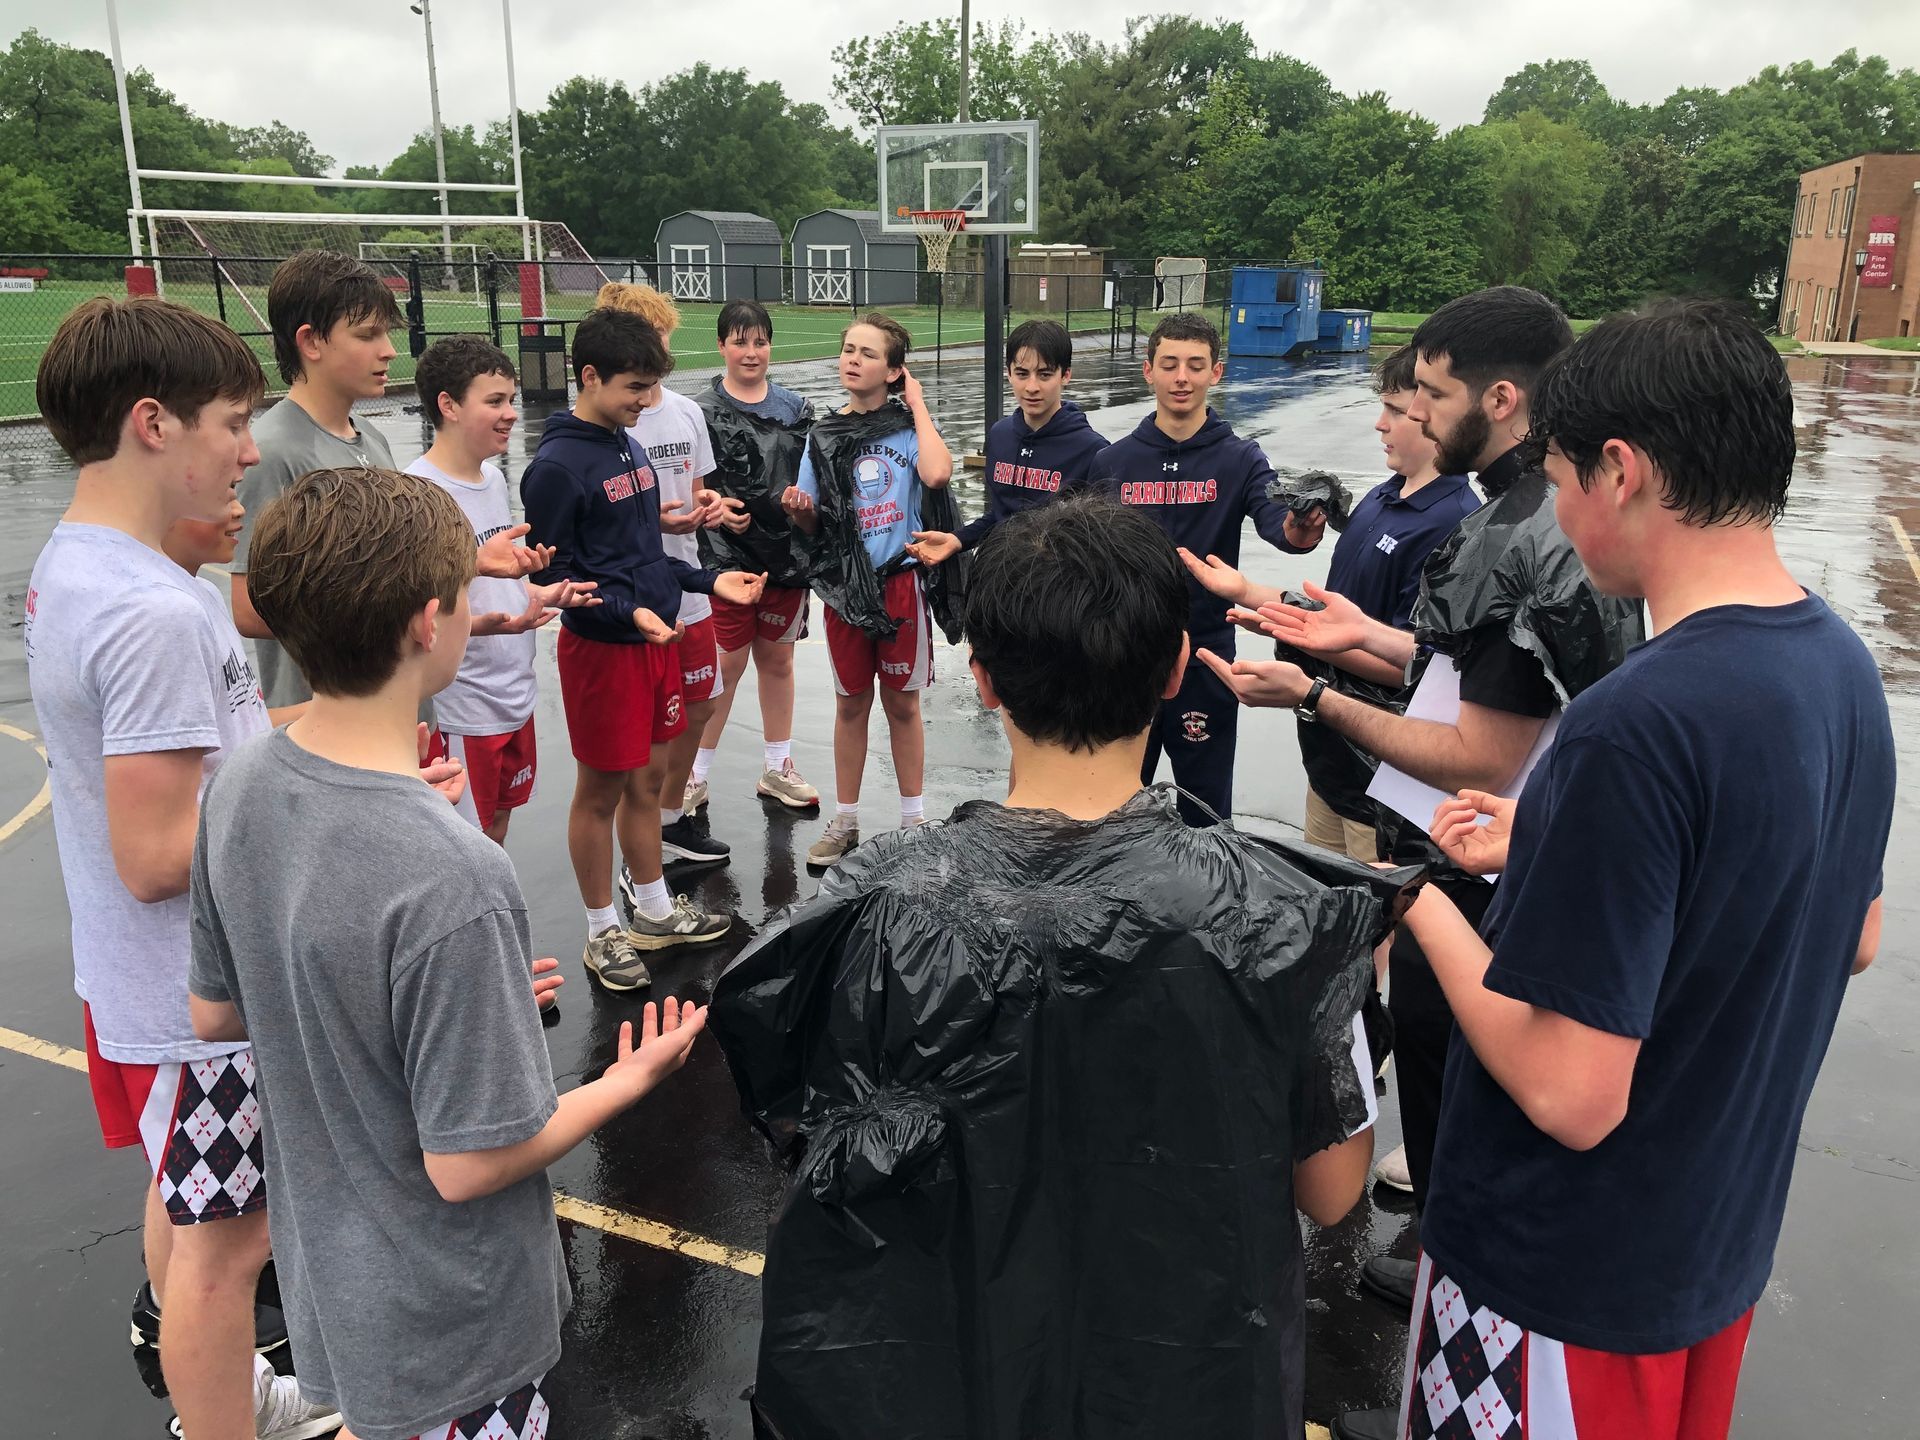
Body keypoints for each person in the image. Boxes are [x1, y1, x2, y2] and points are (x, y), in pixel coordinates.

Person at [711, 496, 1380, 1440]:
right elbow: (1333, 1191)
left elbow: (812, 1135)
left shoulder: (862, 910)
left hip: (955, 1381)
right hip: (1190, 1389)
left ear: (982, 680)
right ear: (1177, 671)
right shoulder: (1287, 909)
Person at [1391, 299, 1893, 1440]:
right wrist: (1557, 842)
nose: (1558, 513)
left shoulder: (1635, 722)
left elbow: (1571, 1093)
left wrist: (1418, 903)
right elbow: (1844, 927)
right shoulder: (1838, 669)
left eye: (1561, 477)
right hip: (1707, 1255)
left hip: (1556, 1288)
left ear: (1620, 471)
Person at [1194, 289, 1638, 1440]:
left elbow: (1479, 751)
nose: (1414, 412)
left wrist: (1320, 695)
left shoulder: (1526, 531)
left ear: (1503, 399)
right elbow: (1474, 677)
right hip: (1516, 853)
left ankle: (1463, 1278)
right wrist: (1364, 637)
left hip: (1491, 871)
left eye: (1431, 395)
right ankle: (1451, 1247)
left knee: (1461, 1078)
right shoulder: (1530, 511)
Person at [188, 464, 709, 1440]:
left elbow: (217, 1012)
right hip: (455, 1320)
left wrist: (444, 1004)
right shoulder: (452, 873)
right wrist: (631, 1078)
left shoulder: (241, 781)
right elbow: (473, 1165)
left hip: (328, 1290)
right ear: (431, 623)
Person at [24, 296, 337, 1440]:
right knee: (228, 1249)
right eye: (231, 424)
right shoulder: (158, 611)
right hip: (198, 1003)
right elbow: (159, 855)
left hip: (138, 987)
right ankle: (221, 1421)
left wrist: (307, 743)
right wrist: (319, 815)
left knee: (183, 1203)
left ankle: (228, 1396)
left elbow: (197, 764)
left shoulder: (83, 565)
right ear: (154, 425)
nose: (248, 454)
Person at [521, 307, 766, 991]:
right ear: (590, 376)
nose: (644, 402)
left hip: (653, 640)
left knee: (650, 782)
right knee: (599, 792)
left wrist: (709, 579)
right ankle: (602, 931)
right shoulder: (557, 466)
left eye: (652, 387)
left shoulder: (625, 444)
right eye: (633, 388)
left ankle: (653, 909)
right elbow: (554, 577)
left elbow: (643, 555)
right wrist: (631, 614)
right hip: (604, 652)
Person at [231, 251, 543, 713]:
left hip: (402, 710)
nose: (389, 350)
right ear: (311, 342)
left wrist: (467, 563)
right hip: (332, 729)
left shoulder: (370, 438)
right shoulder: (274, 451)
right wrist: (384, 610)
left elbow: (393, 567)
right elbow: (250, 608)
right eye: (367, 334)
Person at [1086, 311, 1325, 824]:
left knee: (1209, 812)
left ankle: (1214, 903)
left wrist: (1299, 528)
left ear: (1217, 372)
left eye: (1196, 365)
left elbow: (1276, 522)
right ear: (1148, 370)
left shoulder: (1239, 459)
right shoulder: (1114, 463)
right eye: (1169, 364)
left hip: (1208, 660)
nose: (1182, 377)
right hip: (1126, 659)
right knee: (1115, 809)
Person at [406, 335, 598, 844]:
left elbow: (496, 580)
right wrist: (479, 583)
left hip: (514, 691)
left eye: (511, 399)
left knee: (497, 827)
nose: (511, 413)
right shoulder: (417, 492)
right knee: (462, 841)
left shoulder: (491, 478)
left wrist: (539, 596)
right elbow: (409, 596)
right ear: (447, 405)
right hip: (464, 704)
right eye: (494, 401)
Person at [780, 312, 951, 867]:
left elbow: (937, 475)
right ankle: (847, 817)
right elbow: (813, 523)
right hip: (846, 594)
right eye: (848, 349)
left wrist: (919, 403)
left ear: (894, 370)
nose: (852, 359)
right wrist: (800, 512)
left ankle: (913, 819)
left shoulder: (907, 428)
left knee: (903, 705)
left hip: (901, 586)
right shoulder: (823, 436)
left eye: (868, 353)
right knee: (850, 704)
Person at [592, 282, 734, 869]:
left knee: (700, 704)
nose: (663, 357)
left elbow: (698, 491)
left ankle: (672, 818)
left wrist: (713, 508)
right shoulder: (608, 426)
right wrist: (656, 520)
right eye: (655, 341)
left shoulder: (687, 412)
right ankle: (641, 841)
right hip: (637, 596)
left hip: (689, 581)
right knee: (646, 731)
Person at [690, 300, 821, 814]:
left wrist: (804, 507)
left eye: (760, 341)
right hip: (723, 557)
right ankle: (693, 773)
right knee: (724, 664)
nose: (751, 352)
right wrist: (716, 509)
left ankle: (777, 765)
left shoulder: (796, 410)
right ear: (721, 346)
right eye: (740, 341)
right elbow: (688, 483)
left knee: (778, 659)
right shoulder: (698, 412)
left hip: (783, 555)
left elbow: (811, 478)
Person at [904, 318, 1108, 564]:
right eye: (1022, 374)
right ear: (1009, 373)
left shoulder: (1094, 451)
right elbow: (1000, 516)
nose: (1031, 387)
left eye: (1044, 374)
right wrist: (958, 539)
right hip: (998, 579)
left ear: (1065, 375)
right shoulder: (1000, 435)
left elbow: (1099, 541)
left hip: (1057, 589)